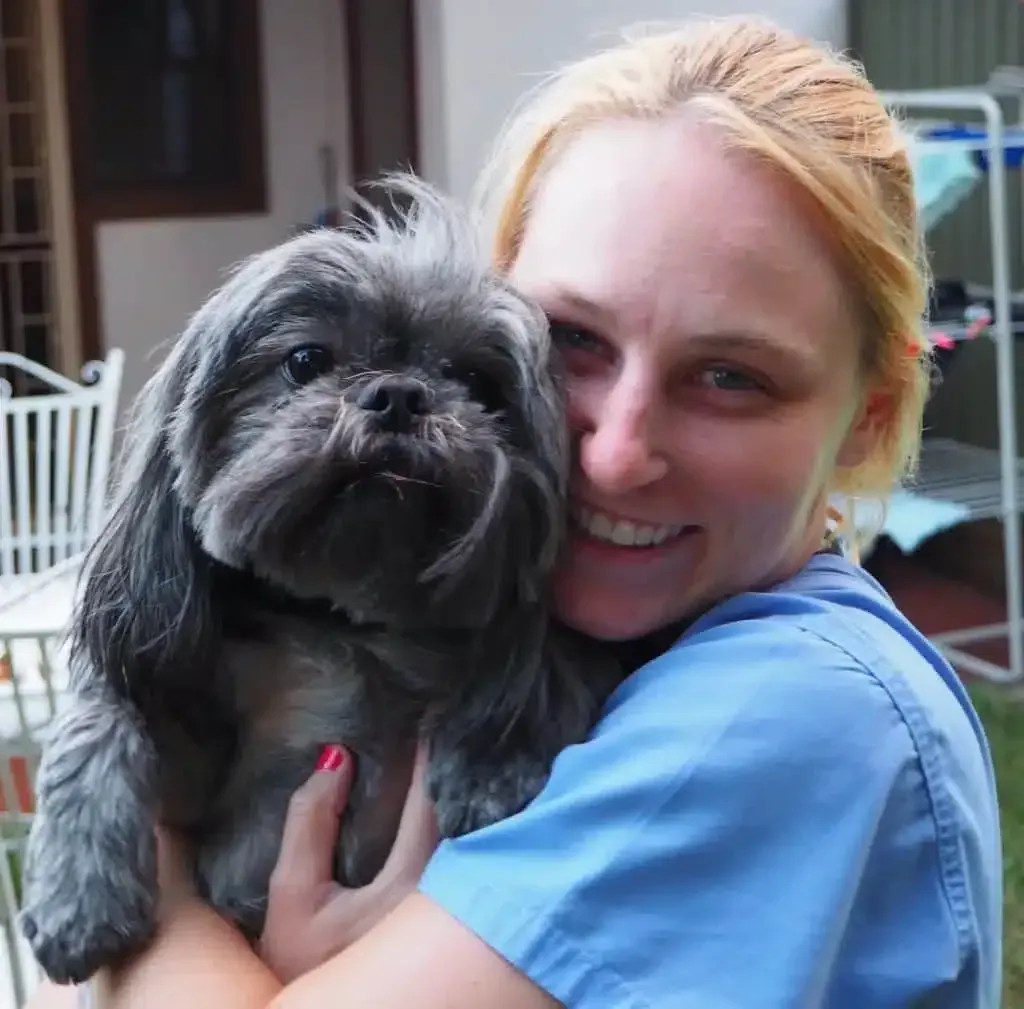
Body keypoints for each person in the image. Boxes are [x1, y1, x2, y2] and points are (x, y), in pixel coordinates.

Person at [29, 14, 1002, 1009]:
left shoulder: (792, 712)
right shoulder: (644, 629)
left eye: (729, 376)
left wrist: (153, 875)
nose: (617, 454)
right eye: (572, 340)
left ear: (864, 420)